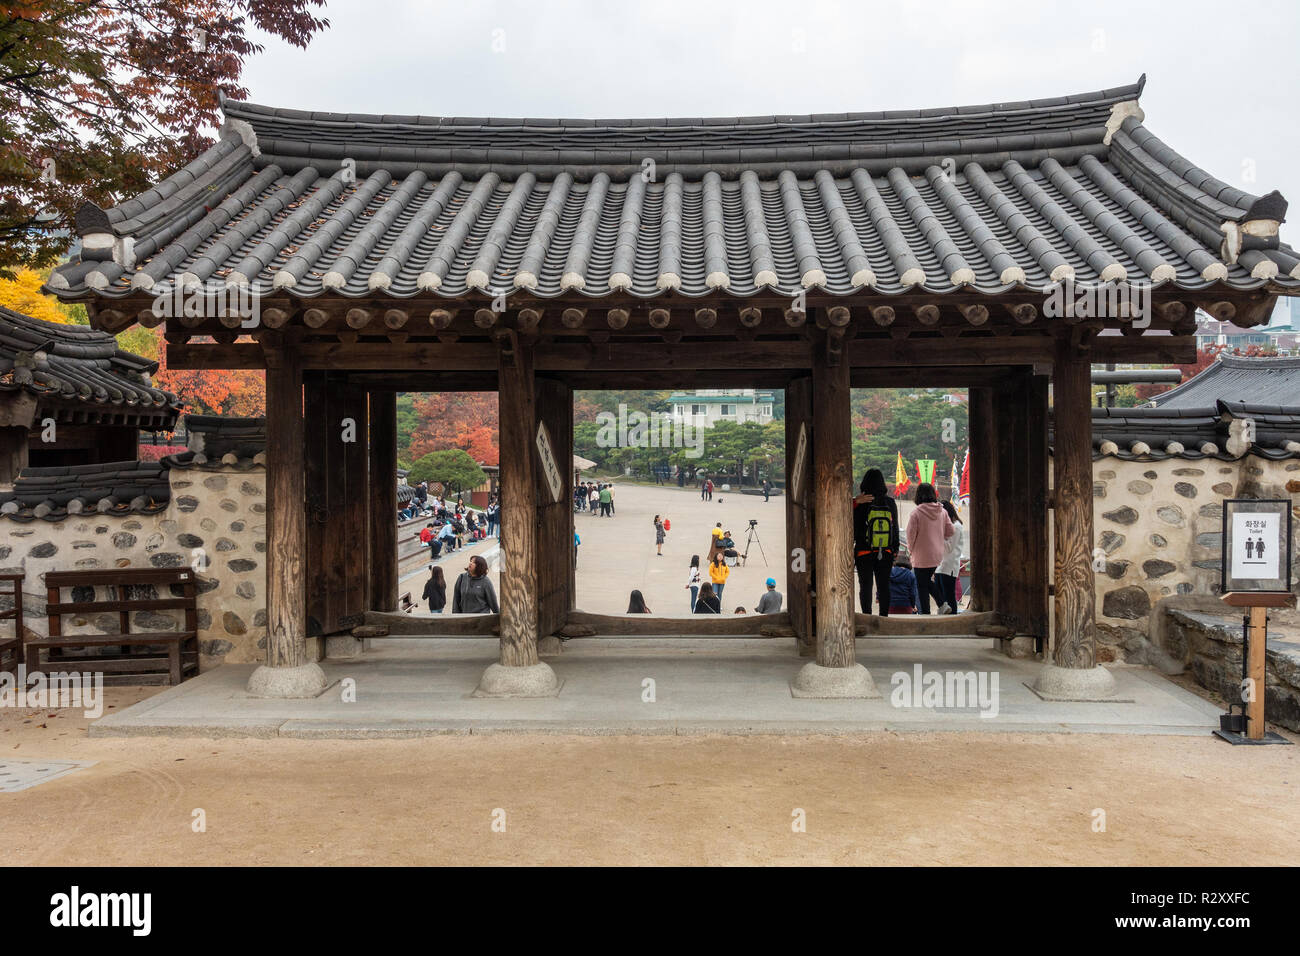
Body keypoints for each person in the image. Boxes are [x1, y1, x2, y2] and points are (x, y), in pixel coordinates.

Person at [853, 468, 899, 616]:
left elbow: (851, 525)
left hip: (863, 550)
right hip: (885, 551)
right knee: (884, 586)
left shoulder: (861, 502)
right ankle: (883, 618)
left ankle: (867, 616)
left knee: (865, 586)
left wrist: (854, 503)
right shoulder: (890, 502)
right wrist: (895, 550)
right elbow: (895, 528)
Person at [905, 483, 955, 614]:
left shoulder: (916, 513)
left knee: (922, 585)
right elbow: (951, 531)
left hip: (921, 555)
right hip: (936, 555)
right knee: (925, 582)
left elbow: (910, 535)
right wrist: (938, 534)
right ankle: (942, 605)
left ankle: (928, 612)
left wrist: (910, 550)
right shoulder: (943, 511)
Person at [933, 501, 964, 615]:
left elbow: (949, 548)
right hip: (941, 566)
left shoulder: (956, 526)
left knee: (949, 597)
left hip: (949, 566)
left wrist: (938, 535)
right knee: (941, 598)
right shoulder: (948, 526)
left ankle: (952, 620)